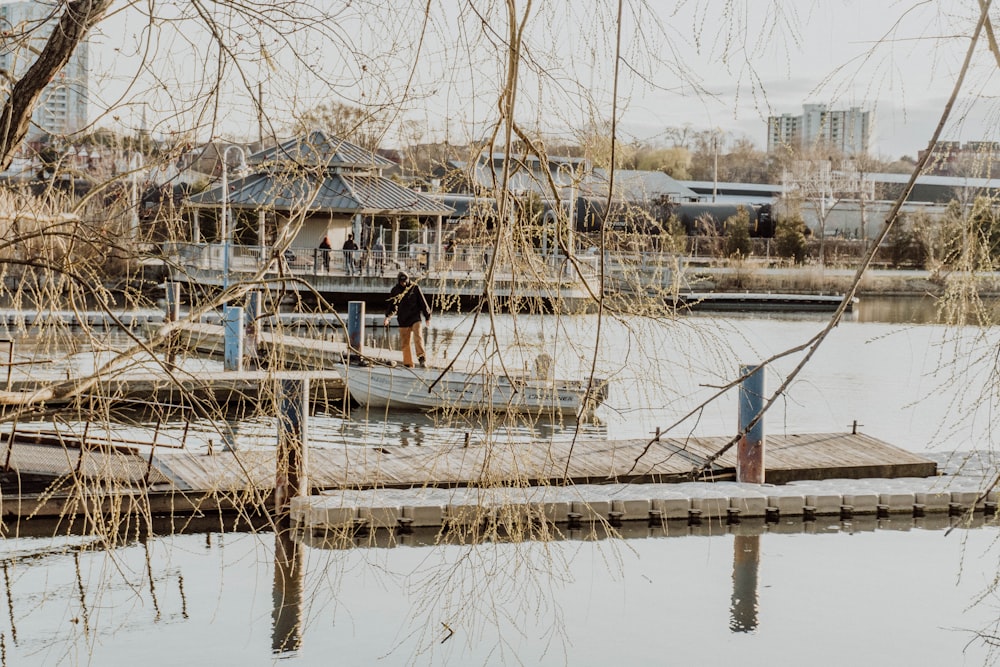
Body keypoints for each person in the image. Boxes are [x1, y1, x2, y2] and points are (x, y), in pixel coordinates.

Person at [383, 271, 431, 368]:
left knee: (418, 337)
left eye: (405, 281)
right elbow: (392, 306)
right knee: (405, 343)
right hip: (403, 319)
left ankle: (422, 359)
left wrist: (427, 317)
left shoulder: (415, 288)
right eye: (401, 282)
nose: (403, 284)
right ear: (398, 281)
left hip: (415, 318)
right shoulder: (395, 291)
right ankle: (408, 363)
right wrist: (387, 317)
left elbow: (423, 302)